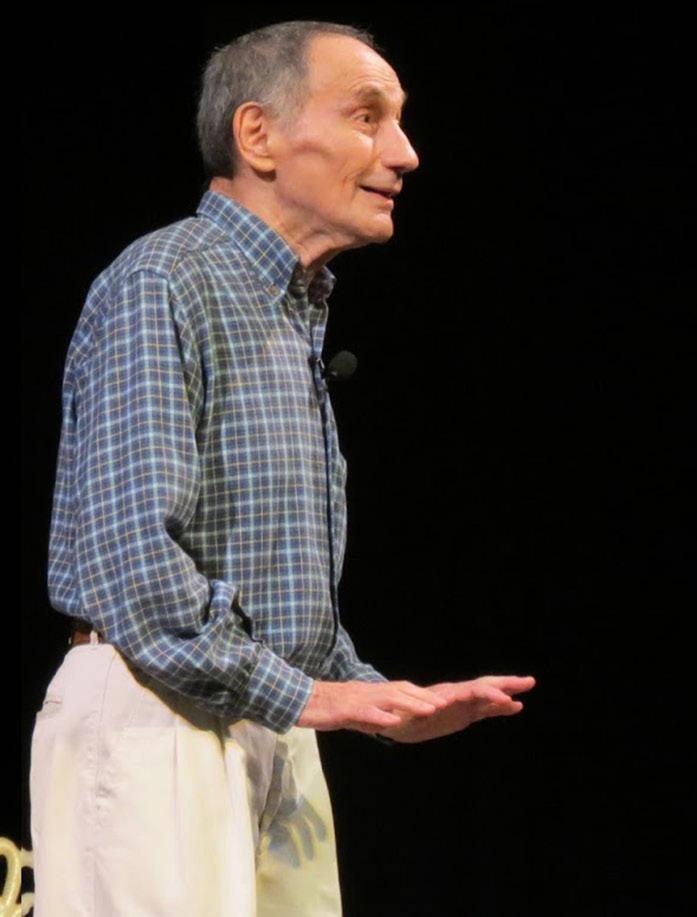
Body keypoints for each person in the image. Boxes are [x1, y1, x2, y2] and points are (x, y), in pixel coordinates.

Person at [30, 21, 535, 915]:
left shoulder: (289, 309)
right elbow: (136, 567)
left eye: (400, 121)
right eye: (368, 117)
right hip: (155, 714)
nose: (405, 153)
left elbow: (271, 589)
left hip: (265, 718)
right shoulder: (164, 278)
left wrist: (377, 698)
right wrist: (311, 695)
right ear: (258, 135)